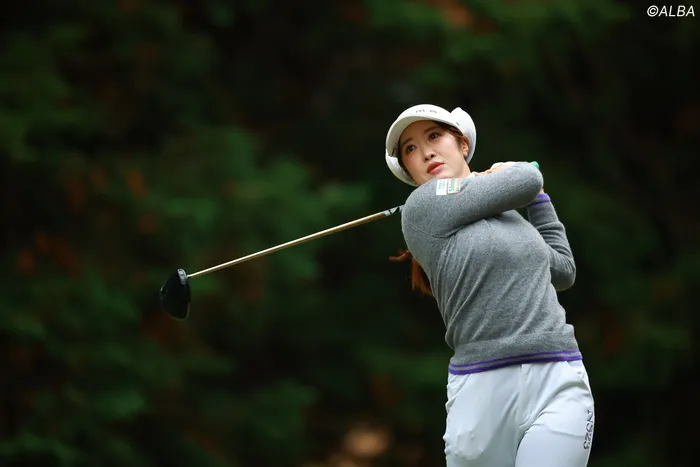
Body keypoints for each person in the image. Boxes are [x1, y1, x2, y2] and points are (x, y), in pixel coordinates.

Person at [384, 104, 595, 467]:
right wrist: (519, 175)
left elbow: (562, 270)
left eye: (434, 136)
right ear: (409, 169)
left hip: (558, 374)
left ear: (463, 144)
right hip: (481, 388)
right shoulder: (422, 206)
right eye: (411, 148)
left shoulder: (509, 217)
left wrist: (540, 200)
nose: (426, 152)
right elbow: (527, 178)